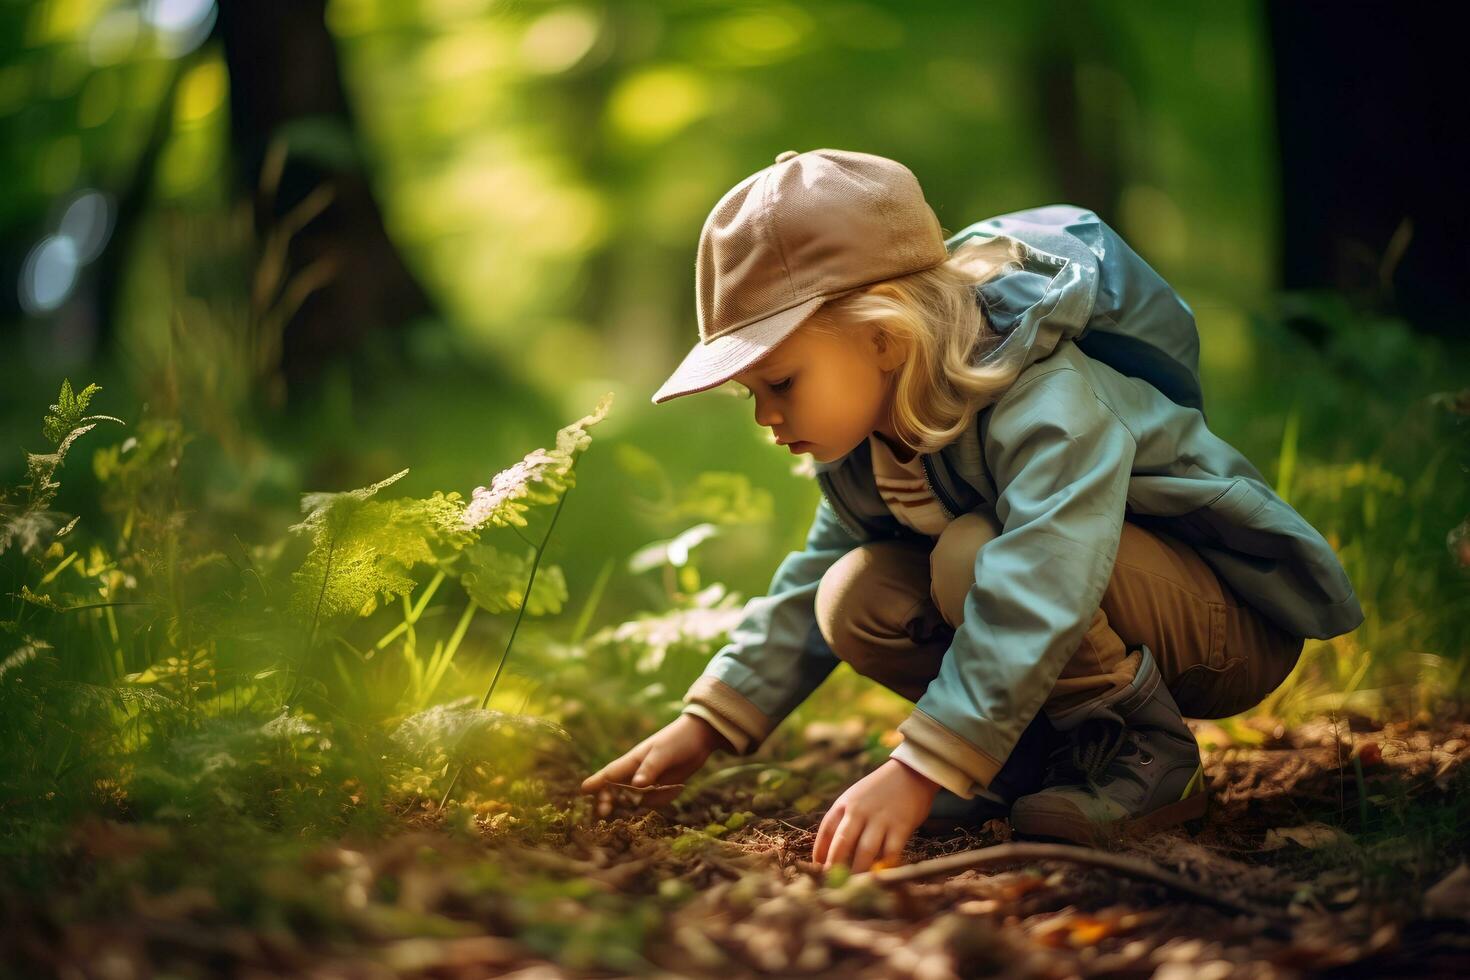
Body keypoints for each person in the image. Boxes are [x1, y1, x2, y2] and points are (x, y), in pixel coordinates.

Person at [578, 149, 1365, 872]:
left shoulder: (1043, 396)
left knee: (973, 553)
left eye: (781, 382)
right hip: (1084, 603)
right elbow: (810, 579)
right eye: (752, 393)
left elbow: (1045, 574)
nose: (766, 418)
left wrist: (923, 763)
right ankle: (1021, 765)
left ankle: (1143, 757)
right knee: (853, 594)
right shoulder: (864, 451)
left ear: (882, 334)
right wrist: (709, 722)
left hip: (1221, 623)